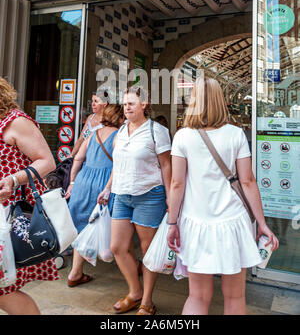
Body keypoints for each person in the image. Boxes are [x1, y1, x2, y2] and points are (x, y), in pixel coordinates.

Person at [167, 77, 279, 316]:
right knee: (235, 296)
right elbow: (247, 181)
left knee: (197, 296)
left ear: (194, 102)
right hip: (234, 223)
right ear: (220, 101)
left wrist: (172, 223)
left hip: (195, 222)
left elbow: (177, 184)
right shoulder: (236, 134)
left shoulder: (183, 137)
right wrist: (262, 224)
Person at [98, 86, 172, 316]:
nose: (127, 106)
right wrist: (108, 188)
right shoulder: (120, 132)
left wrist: (171, 199)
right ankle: (135, 292)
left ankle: (147, 302)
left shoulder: (156, 131)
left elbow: (167, 166)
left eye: (131, 103)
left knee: (148, 251)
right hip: (121, 194)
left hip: (150, 195)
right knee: (117, 247)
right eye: (125, 103)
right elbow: (118, 165)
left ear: (144, 105)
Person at [0, 77, 58, 315]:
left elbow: (47, 161)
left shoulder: (15, 122)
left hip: (9, 217)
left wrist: (13, 180)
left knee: (4, 290)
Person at [66, 104, 123, 287]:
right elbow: (119, 165)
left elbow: (78, 158)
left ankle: (75, 272)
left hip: (84, 180)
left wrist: (73, 182)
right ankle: (131, 264)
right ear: (120, 118)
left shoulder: (92, 134)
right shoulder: (119, 136)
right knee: (111, 222)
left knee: (83, 225)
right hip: (104, 183)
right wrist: (108, 187)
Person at [71, 90, 109, 157]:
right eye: (92, 101)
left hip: (99, 158)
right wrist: (71, 155)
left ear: (105, 104)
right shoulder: (90, 117)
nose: (93, 104)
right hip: (84, 158)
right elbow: (81, 139)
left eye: (96, 101)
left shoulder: (108, 120)